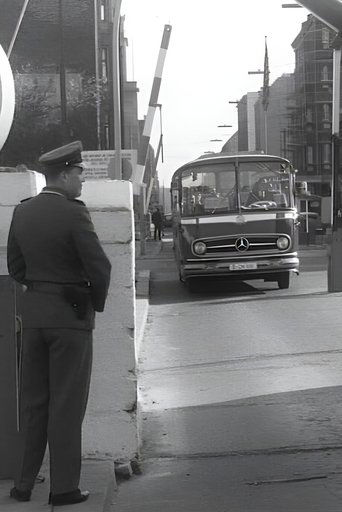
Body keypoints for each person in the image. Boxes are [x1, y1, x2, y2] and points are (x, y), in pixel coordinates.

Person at [7, 141, 111, 507]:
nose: (82, 180)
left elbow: (16, 266)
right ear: (65, 174)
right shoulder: (74, 214)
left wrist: (39, 290)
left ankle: (22, 486)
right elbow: (100, 267)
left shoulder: (23, 212)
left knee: (35, 404)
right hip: (70, 320)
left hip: (34, 318)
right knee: (66, 405)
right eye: (79, 173)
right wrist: (92, 305)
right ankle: (64, 488)